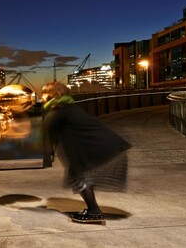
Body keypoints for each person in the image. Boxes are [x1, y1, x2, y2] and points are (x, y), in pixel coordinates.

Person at [39, 81, 131, 225]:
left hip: (96, 147)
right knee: (81, 177)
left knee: (78, 177)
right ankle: (93, 210)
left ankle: (94, 212)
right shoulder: (68, 106)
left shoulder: (58, 109)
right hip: (105, 145)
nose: (41, 96)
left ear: (51, 94)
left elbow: (46, 133)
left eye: (44, 93)